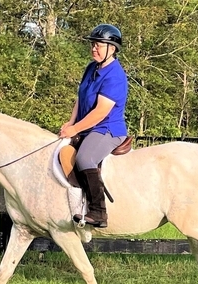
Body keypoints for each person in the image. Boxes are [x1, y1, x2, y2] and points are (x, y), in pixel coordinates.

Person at [59, 24, 128, 228]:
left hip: (107, 129)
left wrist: (76, 129)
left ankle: (98, 213)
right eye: (93, 45)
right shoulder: (91, 68)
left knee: (84, 158)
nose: (94, 49)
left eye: (98, 45)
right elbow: (80, 99)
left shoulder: (115, 75)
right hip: (87, 126)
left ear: (112, 48)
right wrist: (71, 123)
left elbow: (100, 111)